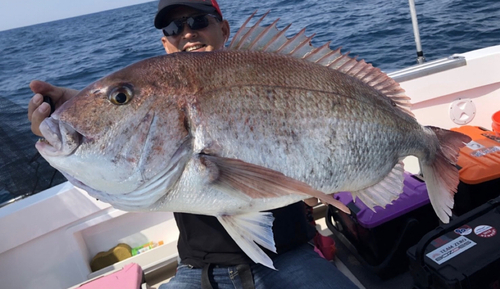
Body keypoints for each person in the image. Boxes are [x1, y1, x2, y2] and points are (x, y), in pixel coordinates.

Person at [27, 1, 358, 288]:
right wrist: (74, 113)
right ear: (165, 43)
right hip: (199, 269)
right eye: (173, 27)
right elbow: (133, 137)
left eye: (199, 21)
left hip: (289, 255)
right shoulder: (164, 98)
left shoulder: (274, 77)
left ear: (224, 28)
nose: (187, 33)